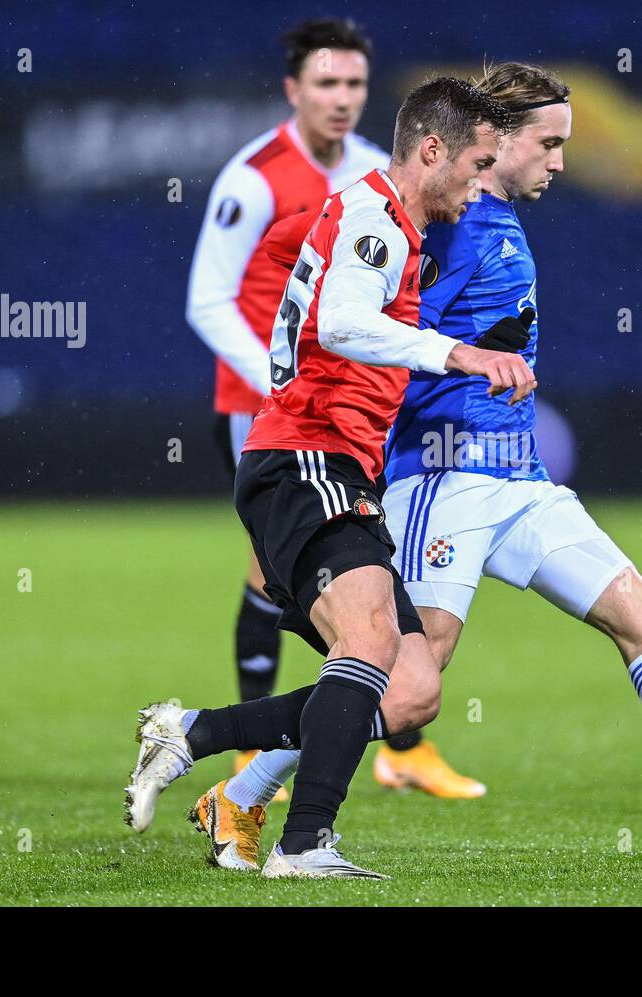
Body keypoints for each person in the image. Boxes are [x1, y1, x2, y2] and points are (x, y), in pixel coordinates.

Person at [235, 63, 642, 852]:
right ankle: (241, 789)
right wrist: (447, 367)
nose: (561, 162)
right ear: (493, 148)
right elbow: (374, 332)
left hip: (523, 482)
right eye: (550, 143)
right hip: (446, 478)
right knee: (403, 689)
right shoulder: (447, 226)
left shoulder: (489, 218)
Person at [127, 78, 528, 879]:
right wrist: (458, 353)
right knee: (373, 641)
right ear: (432, 150)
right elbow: (343, 321)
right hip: (304, 456)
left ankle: (194, 732)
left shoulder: (392, 224)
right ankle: (304, 841)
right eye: (479, 164)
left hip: (336, 466)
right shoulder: (376, 220)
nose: (483, 184)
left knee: (411, 686)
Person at [185, 18, 482, 799]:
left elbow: (307, 256)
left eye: (354, 84)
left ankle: (362, 739)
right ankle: (257, 756)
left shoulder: (370, 177)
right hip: (275, 405)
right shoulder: (252, 176)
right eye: (326, 83)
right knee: (295, 578)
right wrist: (282, 367)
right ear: (294, 90)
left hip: (343, 408)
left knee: (349, 594)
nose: (342, 98)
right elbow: (208, 299)